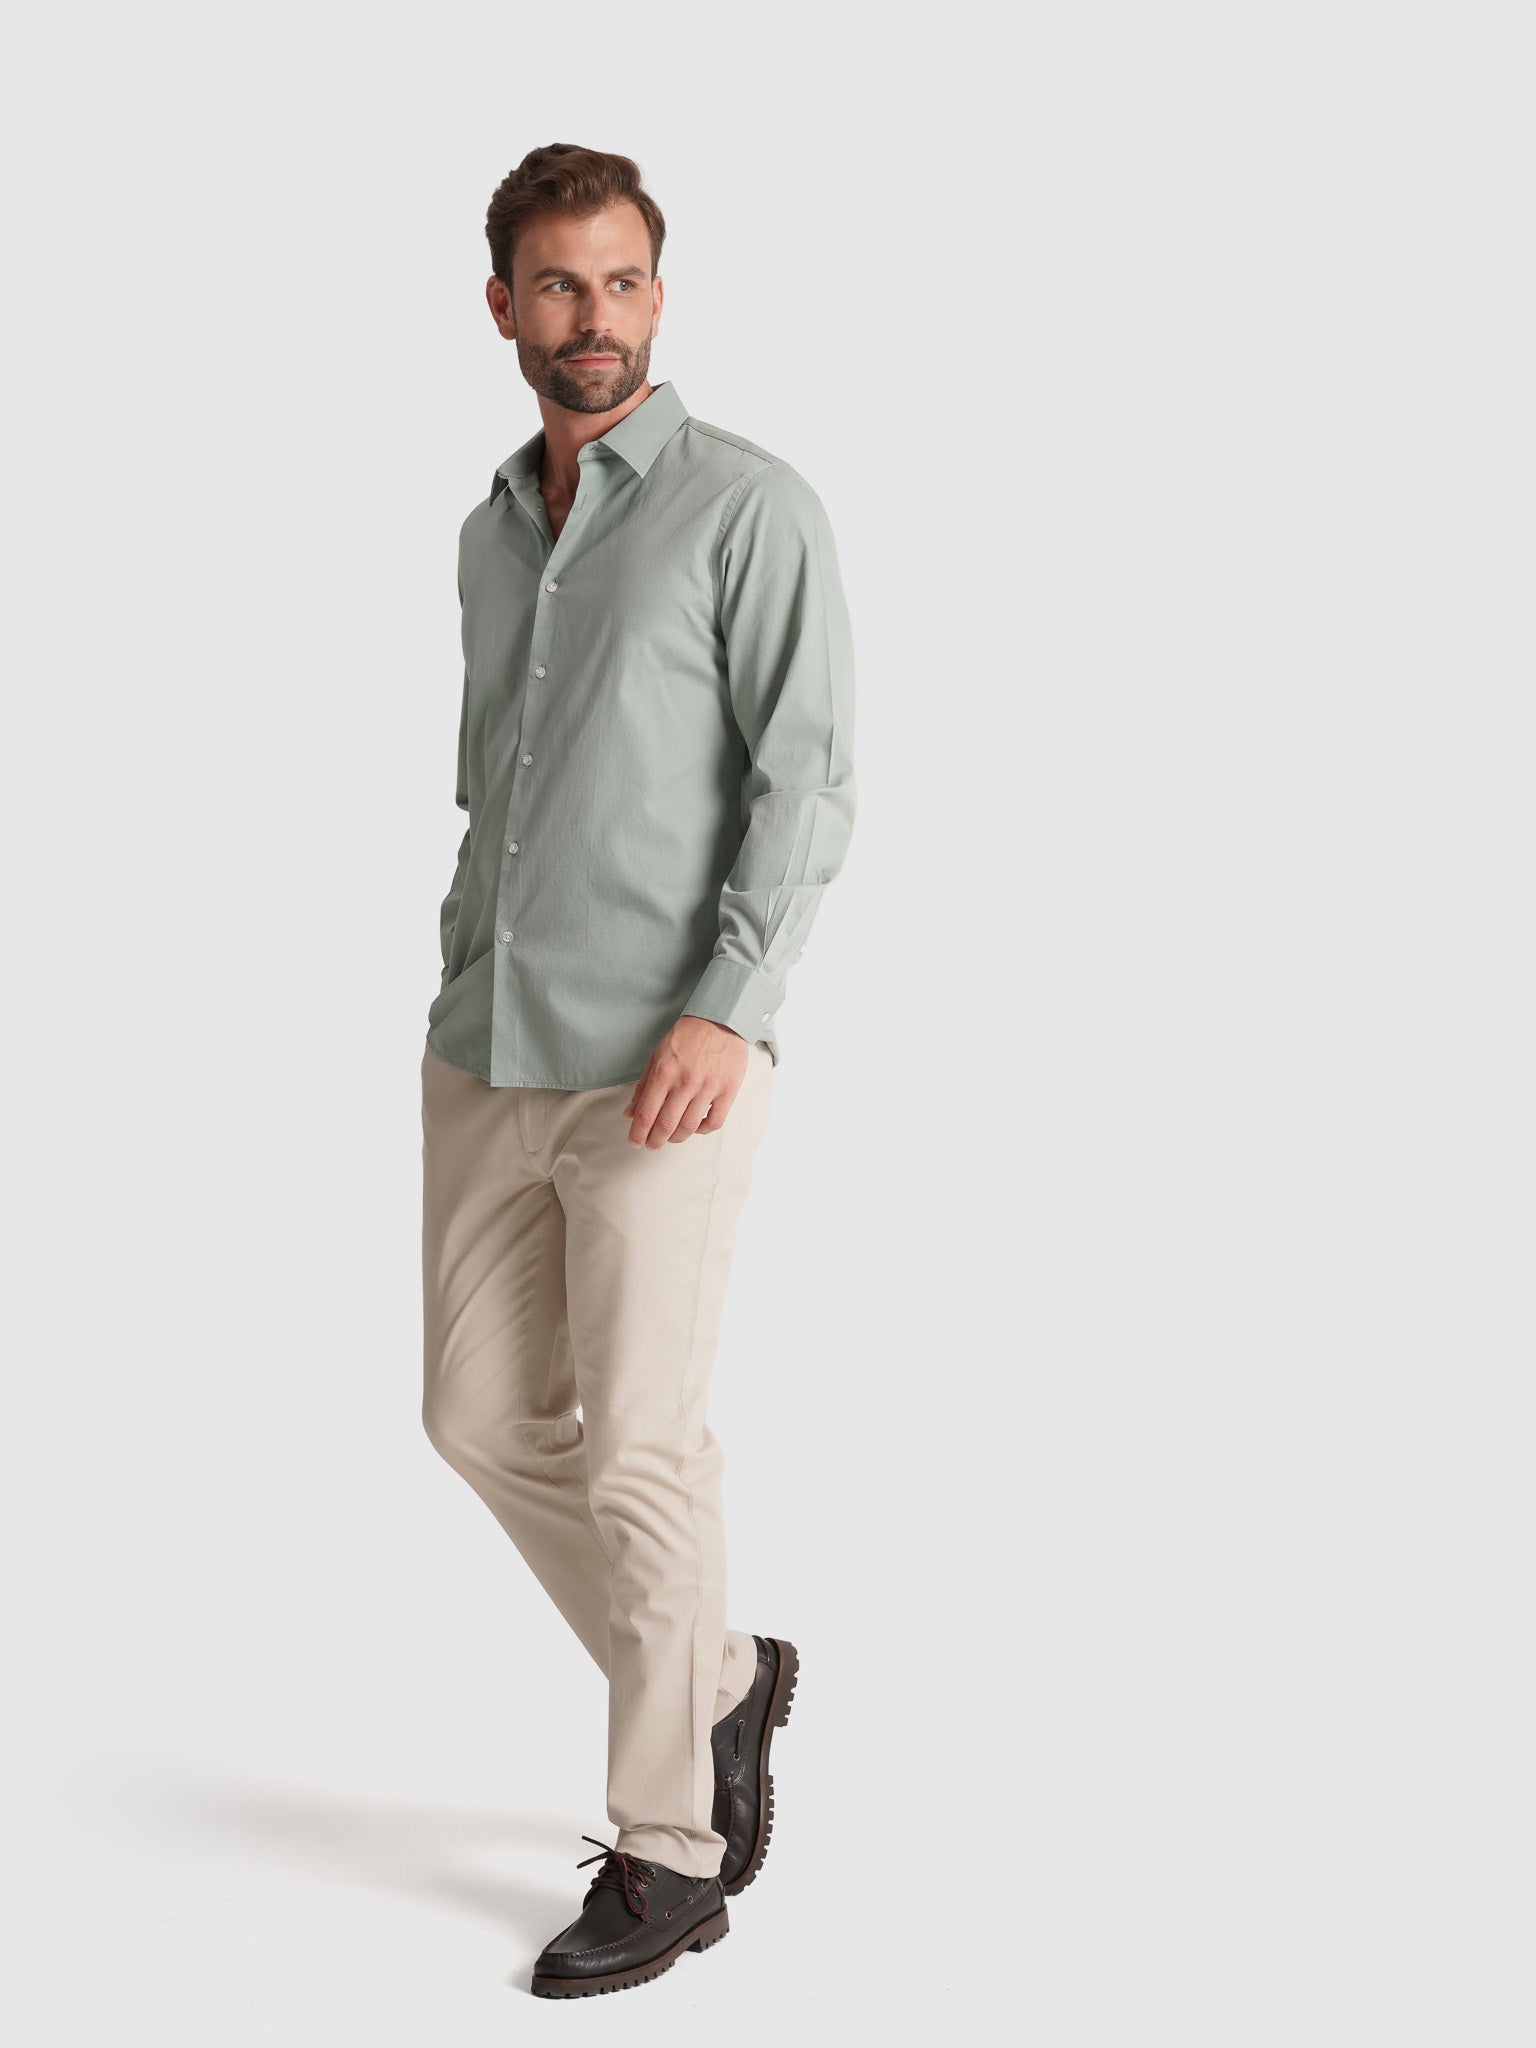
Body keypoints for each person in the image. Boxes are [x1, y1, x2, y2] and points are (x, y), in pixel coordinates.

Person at [418, 143, 857, 1999]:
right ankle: (722, 1678)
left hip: (667, 1061)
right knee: (477, 1418)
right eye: (556, 284)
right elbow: (498, 783)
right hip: (487, 1041)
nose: (590, 318)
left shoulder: (750, 508)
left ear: (658, 297)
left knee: (644, 1448)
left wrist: (728, 1006)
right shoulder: (489, 531)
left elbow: (806, 780)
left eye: (620, 282)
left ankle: (674, 1851)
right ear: (501, 305)